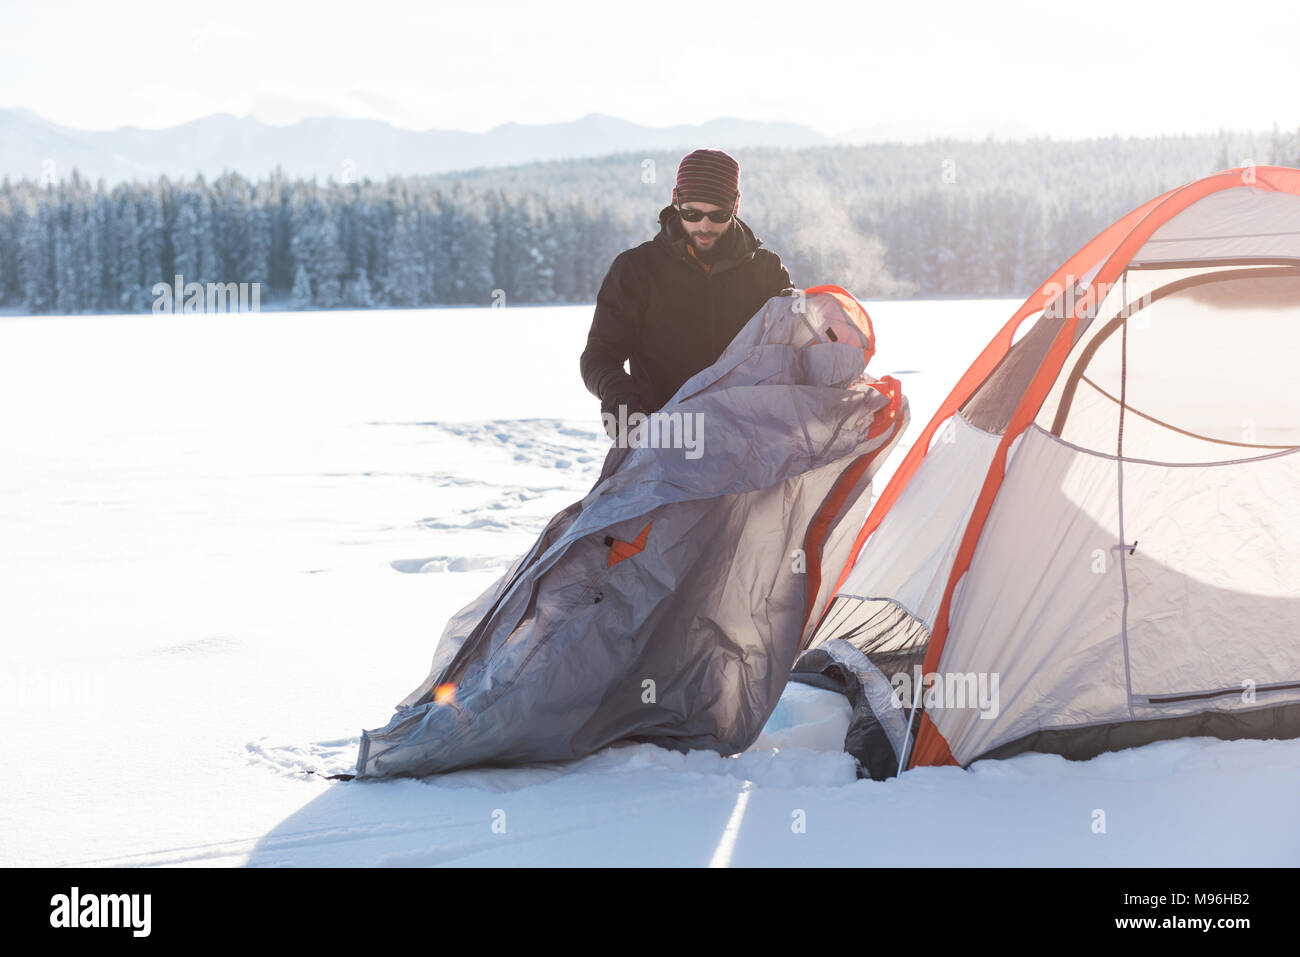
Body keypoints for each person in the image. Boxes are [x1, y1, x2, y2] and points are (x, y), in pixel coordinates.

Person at [580, 148, 793, 437]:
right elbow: (599, 355)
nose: (704, 226)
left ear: (735, 206)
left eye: (718, 215)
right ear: (675, 201)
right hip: (663, 439)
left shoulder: (766, 270)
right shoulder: (636, 269)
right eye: (692, 213)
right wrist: (620, 396)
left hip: (748, 442)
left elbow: (793, 349)